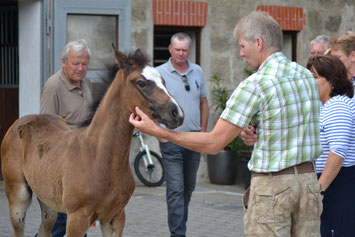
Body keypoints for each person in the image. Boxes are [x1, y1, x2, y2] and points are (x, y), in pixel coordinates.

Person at [129, 11, 323, 237]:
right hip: (309, 184)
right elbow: (295, 125)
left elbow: (213, 143)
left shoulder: (256, 84)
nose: (240, 53)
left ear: (258, 43)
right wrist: (259, 134)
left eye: (242, 46)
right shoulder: (306, 77)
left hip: (273, 189)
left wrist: (158, 131)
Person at [155, 32, 209, 237]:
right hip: (171, 140)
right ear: (170, 49)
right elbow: (149, 104)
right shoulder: (159, 73)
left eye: (184, 50)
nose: (180, 53)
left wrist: (203, 132)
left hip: (194, 140)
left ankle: (180, 229)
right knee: (176, 189)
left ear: (189, 51)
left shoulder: (198, 71)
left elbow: (204, 102)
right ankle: (178, 234)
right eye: (177, 49)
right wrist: (159, 133)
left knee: (188, 188)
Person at [37, 39, 92, 237]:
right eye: (75, 63)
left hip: (85, 163)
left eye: (84, 64)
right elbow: (46, 130)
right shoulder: (53, 87)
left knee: (77, 221)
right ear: (63, 62)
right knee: (63, 222)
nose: (80, 68)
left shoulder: (86, 83)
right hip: (64, 166)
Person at [309, 55, 355, 237]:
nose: (310, 82)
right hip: (330, 182)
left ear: (332, 81)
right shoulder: (324, 106)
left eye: (315, 77)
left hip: (338, 183)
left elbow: (337, 152)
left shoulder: (337, 106)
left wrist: (320, 189)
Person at [326, 31, 355, 102]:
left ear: (353, 56)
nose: (333, 61)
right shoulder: (333, 82)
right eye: (332, 58)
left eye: (338, 57)